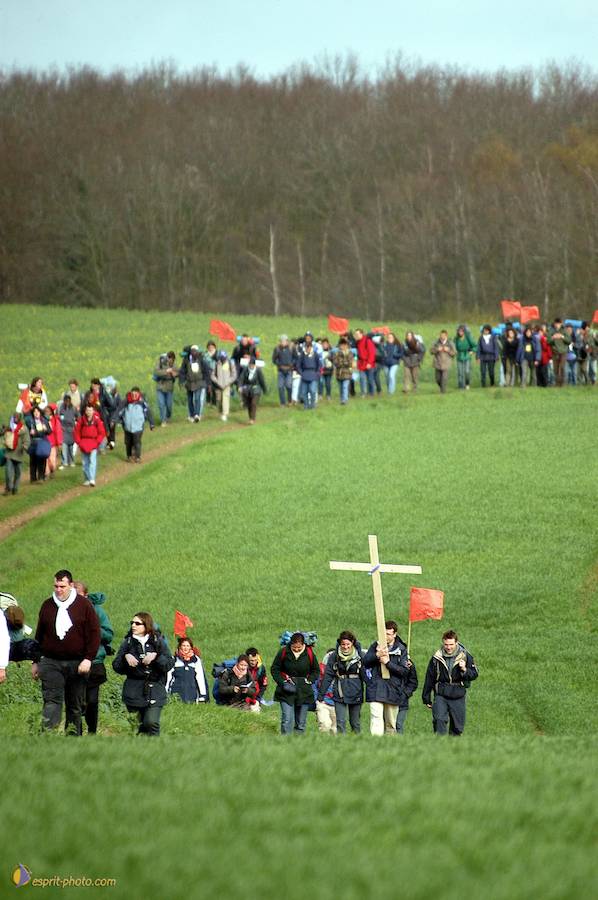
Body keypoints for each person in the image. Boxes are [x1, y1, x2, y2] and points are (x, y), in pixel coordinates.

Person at [31, 569, 100, 734]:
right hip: (51, 661)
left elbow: (94, 633)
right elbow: (39, 635)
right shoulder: (47, 605)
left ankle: (73, 739)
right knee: (52, 701)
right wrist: (35, 661)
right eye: (56, 586)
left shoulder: (84, 606)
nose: (58, 590)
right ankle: (48, 736)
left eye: (62, 586)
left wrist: (88, 658)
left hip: (77, 662)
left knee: (74, 705)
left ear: (70, 585)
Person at [112, 612, 175, 736]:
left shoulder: (158, 642)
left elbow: (169, 664)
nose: (133, 626)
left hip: (155, 689)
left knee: (151, 722)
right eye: (132, 623)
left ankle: (156, 750)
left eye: (137, 623)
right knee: (138, 726)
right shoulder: (128, 642)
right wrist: (126, 658)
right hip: (133, 690)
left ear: (146, 625)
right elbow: (116, 666)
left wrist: (156, 657)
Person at [72, 581, 114, 734]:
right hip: (72, 662)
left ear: (85, 595)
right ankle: (76, 733)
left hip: (94, 661)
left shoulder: (97, 611)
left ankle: (92, 731)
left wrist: (92, 630)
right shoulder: (64, 611)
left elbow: (108, 634)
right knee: (75, 702)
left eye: (78, 594)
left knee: (92, 701)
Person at [422, 629, 478, 736]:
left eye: (451, 644)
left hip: (458, 694)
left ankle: (453, 749)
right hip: (441, 694)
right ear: (443, 642)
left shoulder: (466, 655)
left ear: (456, 642)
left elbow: (474, 674)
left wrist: (464, 670)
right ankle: (440, 747)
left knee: (457, 727)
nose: (448, 647)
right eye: (446, 644)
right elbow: (429, 677)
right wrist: (426, 697)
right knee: (439, 720)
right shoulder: (436, 657)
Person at [363, 620, 415, 735]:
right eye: (384, 633)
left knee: (391, 724)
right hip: (376, 688)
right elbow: (365, 662)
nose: (385, 637)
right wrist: (376, 655)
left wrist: (387, 663)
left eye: (388, 634)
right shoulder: (375, 645)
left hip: (393, 689)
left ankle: (389, 747)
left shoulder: (401, 650)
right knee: (376, 718)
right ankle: (375, 744)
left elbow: (404, 671)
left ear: (395, 634)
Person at [271, 633, 320, 735]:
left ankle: (297, 745)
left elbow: (316, 670)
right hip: (286, 690)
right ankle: (285, 743)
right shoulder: (283, 651)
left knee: (301, 723)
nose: (297, 649)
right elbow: (274, 669)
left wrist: (310, 680)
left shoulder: (309, 653)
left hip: (304, 692)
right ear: (290, 644)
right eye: (294, 647)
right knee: (287, 719)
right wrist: (282, 682)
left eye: (299, 647)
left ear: (303, 644)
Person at [317, 631, 365, 734]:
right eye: (343, 644)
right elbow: (328, 676)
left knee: (355, 722)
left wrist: (371, 692)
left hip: (356, 691)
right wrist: (321, 695)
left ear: (352, 643)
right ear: (340, 643)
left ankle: (358, 744)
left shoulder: (360, 655)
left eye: (348, 644)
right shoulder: (334, 656)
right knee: (340, 722)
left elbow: (366, 674)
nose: (345, 647)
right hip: (339, 691)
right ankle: (341, 744)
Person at [166, 637, 210, 703]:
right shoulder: (174, 659)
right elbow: (168, 677)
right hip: (176, 693)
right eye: (183, 645)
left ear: (191, 647)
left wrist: (203, 695)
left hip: (192, 694)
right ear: (180, 647)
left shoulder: (196, 660)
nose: (185, 648)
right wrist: (165, 692)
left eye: (187, 646)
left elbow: (200, 678)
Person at [119, 386, 154, 463]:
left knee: (137, 442)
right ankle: (129, 456)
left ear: (139, 394)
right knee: (128, 443)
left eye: (136, 394)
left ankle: (137, 457)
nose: (134, 396)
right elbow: (119, 411)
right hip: (127, 427)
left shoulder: (142, 403)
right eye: (133, 394)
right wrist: (114, 419)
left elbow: (148, 413)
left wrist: (152, 423)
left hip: (138, 427)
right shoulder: (126, 402)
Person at [73, 403, 106, 486]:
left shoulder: (97, 420)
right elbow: (76, 431)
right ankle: (87, 478)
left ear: (93, 411)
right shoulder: (81, 420)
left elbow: (101, 432)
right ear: (85, 411)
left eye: (90, 410)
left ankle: (92, 479)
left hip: (93, 443)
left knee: (92, 461)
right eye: (87, 410)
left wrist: (97, 442)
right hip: (84, 443)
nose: (89, 412)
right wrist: (79, 442)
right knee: (85, 463)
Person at [179, 345, 210, 422]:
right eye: (192, 351)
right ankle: (191, 415)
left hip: (199, 382)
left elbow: (206, 371)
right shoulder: (186, 360)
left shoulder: (201, 359)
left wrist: (208, 383)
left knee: (197, 398)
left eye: (195, 351)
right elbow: (182, 371)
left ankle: (197, 414)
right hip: (189, 383)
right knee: (190, 400)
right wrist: (182, 381)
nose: (194, 352)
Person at [3, 413, 30, 495]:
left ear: (20, 418)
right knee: (8, 472)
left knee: (18, 473)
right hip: (9, 453)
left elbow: (27, 440)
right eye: (14, 417)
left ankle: (15, 488)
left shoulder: (24, 429)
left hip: (19, 453)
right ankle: (8, 488)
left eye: (17, 417)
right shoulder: (9, 427)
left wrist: (25, 446)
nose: (15, 418)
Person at [25, 406, 52, 483]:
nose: (36, 413)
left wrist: (45, 429)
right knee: (33, 461)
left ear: (40, 412)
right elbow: (27, 431)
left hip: (42, 442)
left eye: (37, 411)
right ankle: (33, 478)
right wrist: (31, 432)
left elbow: (49, 431)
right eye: (34, 412)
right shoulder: (30, 422)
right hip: (33, 442)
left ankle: (41, 477)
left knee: (42, 460)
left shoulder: (44, 421)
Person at [238, 357, 267, 424]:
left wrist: (264, 389)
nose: (251, 366)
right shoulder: (245, 370)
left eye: (252, 365)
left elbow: (262, 381)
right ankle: (250, 417)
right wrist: (239, 386)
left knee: (253, 403)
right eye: (250, 364)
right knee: (249, 404)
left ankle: (252, 419)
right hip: (248, 389)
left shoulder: (258, 371)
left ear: (254, 365)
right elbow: (241, 379)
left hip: (256, 389)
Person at [315, 649, 338, 734]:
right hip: (323, 702)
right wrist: (317, 700)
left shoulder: (342, 671)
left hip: (337, 703)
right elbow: (314, 686)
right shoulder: (320, 672)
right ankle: (323, 743)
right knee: (325, 724)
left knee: (335, 728)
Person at [210, 351, 237, 422]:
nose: (223, 359)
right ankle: (221, 412)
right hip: (218, 385)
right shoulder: (216, 364)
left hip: (227, 385)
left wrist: (228, 382)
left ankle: (225, 414)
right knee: (219, 399)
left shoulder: (230, 363)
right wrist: (217, 381)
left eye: (224, 358)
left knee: (225, 399)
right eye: (221, 358)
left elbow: (234, 375)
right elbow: (212, 375)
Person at [297, 332, 321, 410]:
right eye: (307, 347)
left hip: (313, 374)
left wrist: (317, 373)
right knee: (304, 392)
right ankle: (306, 405)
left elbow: (319, 364)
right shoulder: (302, 355)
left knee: (313, 391)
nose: (308, 349)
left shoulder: (315, 354)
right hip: (305, 375)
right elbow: (298, 365)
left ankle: (313, 405)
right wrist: (301, 372)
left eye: (309, 347)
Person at [154, 351, 178, 426]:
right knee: (161, 404)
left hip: (169, 387)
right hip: (160, 387)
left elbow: (177, 373)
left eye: (171, 358)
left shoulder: (173, 365)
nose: (168, 360)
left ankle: (168, 416)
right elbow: (156, 372)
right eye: (168, 358)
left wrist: (174, 374)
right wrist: (166, 371)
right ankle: (163, 420)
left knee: (169, 405)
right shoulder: (159, 364)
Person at [272, 335, 296, 406]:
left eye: (284, 341)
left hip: (289, 370)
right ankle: (282, 402)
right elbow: (274, 359)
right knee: (280, 386)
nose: (283, 342)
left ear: (287, 341)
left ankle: (289, 400)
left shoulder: (292, 348)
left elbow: (296, 357)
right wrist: (279, 364)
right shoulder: (277, 349)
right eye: (281, 341)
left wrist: (292, 364)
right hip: (280, 370)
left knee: (289, 385)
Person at [353, 328, 376, 397]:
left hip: (369, 363)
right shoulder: (357, 342)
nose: (356, 335)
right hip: (361, 363)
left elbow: (372, 353)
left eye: (357, 334)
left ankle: (372, 393)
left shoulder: (367, 341)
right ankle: (363, 393)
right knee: (362, 379)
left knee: (370, 379)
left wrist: (369, 363)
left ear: (361, 334)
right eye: (355, 334)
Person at [58, 394, 79, 468]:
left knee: (71, 447)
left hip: (71, 429)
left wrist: (75, 424)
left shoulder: (73, 408)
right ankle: (64, 462)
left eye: (68, 401)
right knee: (64, 446)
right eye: (65, 401)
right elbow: (59, 417)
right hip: (64, 429)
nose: (67, 402)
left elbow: (78, 417)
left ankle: (72, 461)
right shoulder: (61, 408)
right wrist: (60, 426)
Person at [454, 325, 477, 390]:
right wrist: (454, 351)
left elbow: (475, 346)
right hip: (459, 356)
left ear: (464, 331)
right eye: (459, 331)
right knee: (460, 372)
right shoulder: (456, 339)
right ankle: (461, 385)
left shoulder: (468, 338)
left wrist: (472, 351)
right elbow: (453, 347)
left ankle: (467, 384)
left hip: (467, 355)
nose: (460, 332)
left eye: (461, 331)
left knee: (467, 371)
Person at [333, 337, 354, 404]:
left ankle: (345, 400)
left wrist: (342, 363)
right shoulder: (337, 353)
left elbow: (350, 363)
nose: (343, 346)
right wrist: (343, 363)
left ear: (347, 345)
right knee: (341, 388)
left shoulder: (349, 353)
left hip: (347, 373)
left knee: (345, 386)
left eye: (344, 345)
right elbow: (336, 362)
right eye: (341, 345)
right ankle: (342, 399)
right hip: (339, 374)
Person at [549, 319, 569, 387]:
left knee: (562, 367)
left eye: (558, 323)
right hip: (555, 352)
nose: (557, 325)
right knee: (556, 368)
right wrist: (553, 338)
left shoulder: (564, 331)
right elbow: (548, 341)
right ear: (554, 324)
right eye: (556, 323)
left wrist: (562, 337)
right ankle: (557, 383)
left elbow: (569, 341)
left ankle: (563, 383)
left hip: (563, 352)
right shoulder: (551, 331)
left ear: (561, 324)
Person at [45, 403, 63, 478]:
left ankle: (52, 470)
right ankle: (46, 473)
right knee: (46, 459)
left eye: (48, 411)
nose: (46, 412)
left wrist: (59, 443)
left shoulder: (55, 421)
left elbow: (58, 432)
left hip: (53, 444)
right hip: (45, 442)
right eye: (45, 411)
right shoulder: (43, 420)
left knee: (52, 459)